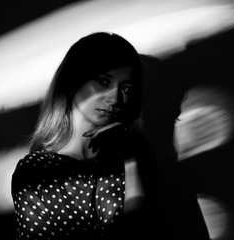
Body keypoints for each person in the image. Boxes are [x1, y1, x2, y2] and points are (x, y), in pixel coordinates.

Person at [11, 32, 156, 240]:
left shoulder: (133, 156)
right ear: (72, 81)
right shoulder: (36, 170)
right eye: (103, 81)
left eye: (125, 88)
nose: (115, 98)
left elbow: (143, 228)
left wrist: (129, 159)